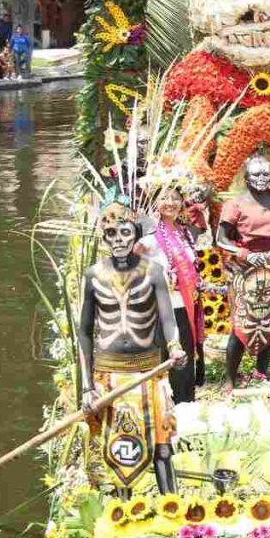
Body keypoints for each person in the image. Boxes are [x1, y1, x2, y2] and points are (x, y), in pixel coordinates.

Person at [77, 200, 187, 498]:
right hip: (109, 374)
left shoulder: (153, 272)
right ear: (104, 237)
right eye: (112, 233)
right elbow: (84, 333)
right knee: (116, 444)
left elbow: (167, 318)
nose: (119, 240)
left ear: (136, 235)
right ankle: (124, 512)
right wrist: (87, 388)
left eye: (126, 233)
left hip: (148, 371)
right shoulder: (93, 276)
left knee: (162, 447)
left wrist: (175, 346)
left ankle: (170, 506)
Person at [216, 153, 270, 390]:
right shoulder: (235, 203)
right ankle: (230, 379)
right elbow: (220, 239)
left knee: (269, 323)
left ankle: (260, 374)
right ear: (247, 178)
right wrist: (244, 254)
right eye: (256, 174)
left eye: (265, 174)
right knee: (243, 323)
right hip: (247, 267)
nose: (261, 178)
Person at [135, 183, 206, 403]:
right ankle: (162, 407)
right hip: (161, 308)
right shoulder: (148, 235)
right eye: (164, 198)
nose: (170, 203)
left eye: (175, 198)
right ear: (155, 202)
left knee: (184, 355)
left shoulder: (184, 232)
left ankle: (185, 404)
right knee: (165, 357)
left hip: (185, 305)